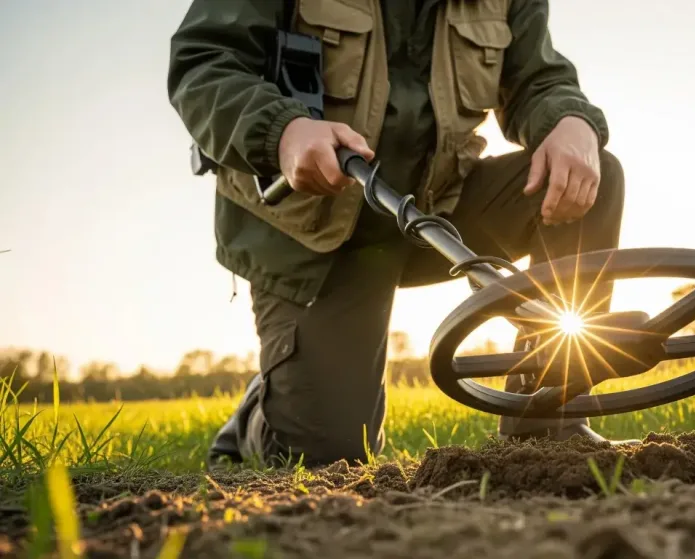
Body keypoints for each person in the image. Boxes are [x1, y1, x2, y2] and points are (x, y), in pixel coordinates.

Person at [167, 0, 637, 469]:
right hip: (314, 229)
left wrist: (570, 121)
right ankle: (259, 410)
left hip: (438, 207)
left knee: (590, 180)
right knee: (327, 455)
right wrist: (282, 130)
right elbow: (205, 62)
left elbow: (538, 79)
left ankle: (547, 421)